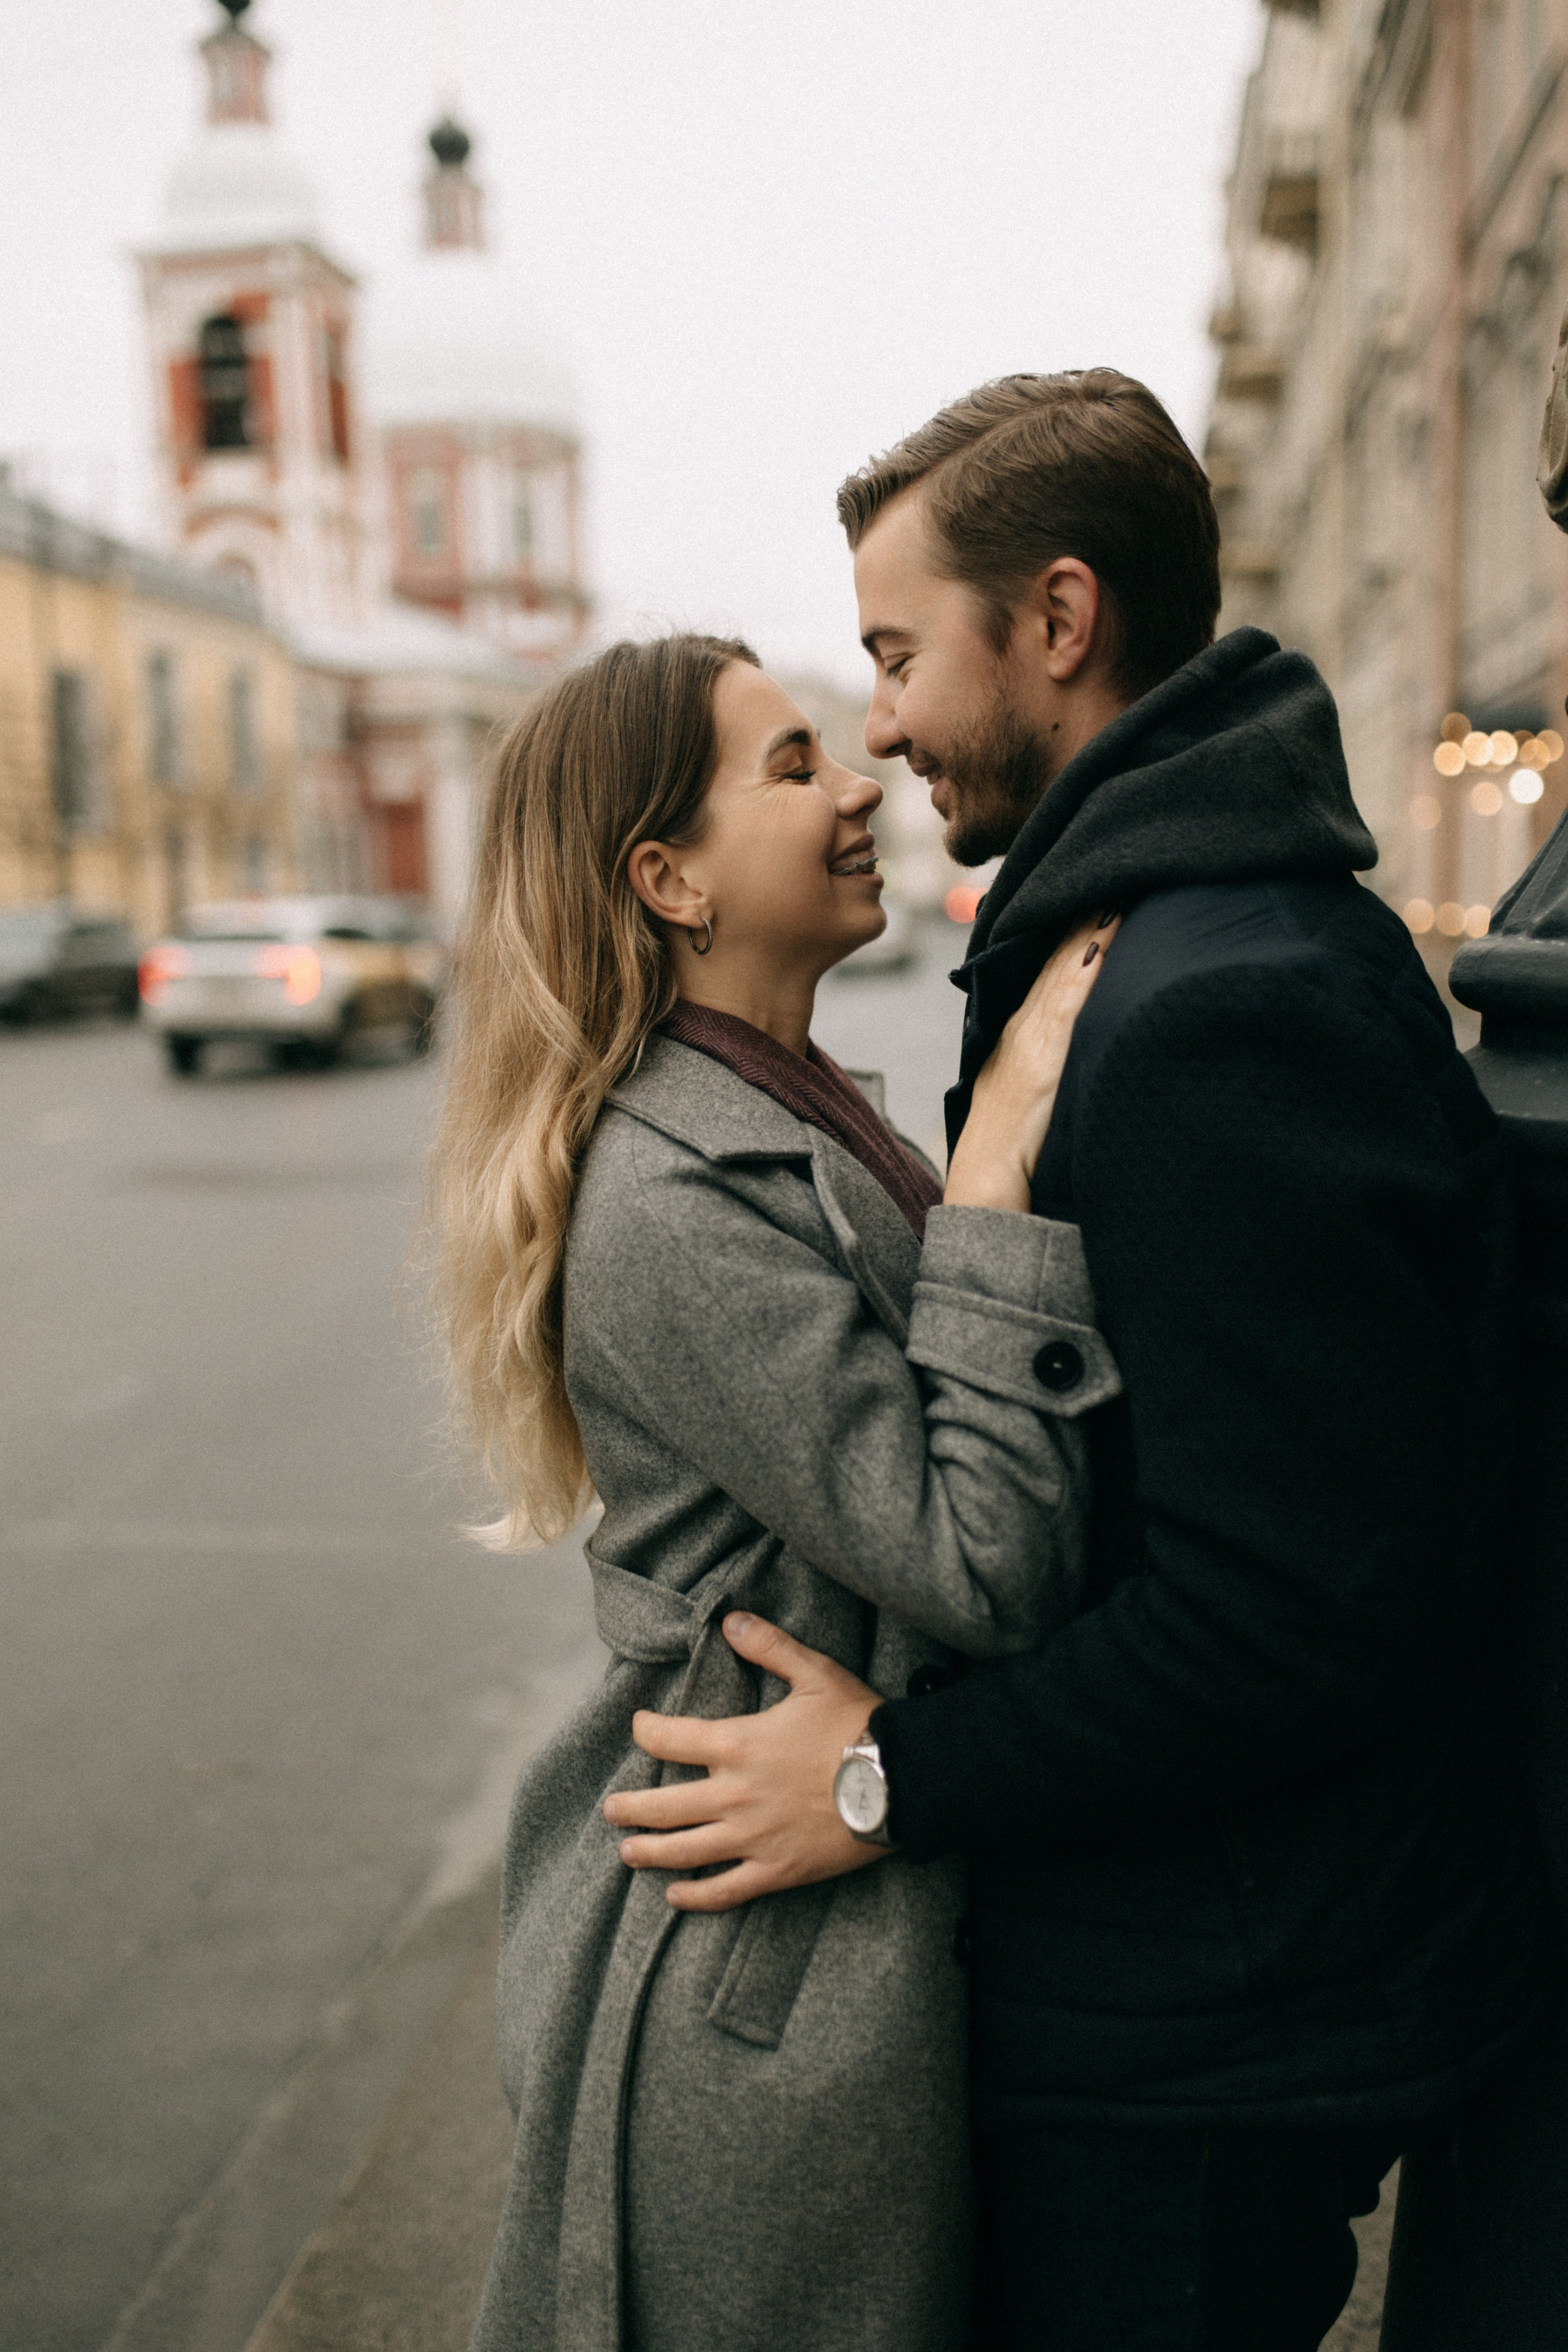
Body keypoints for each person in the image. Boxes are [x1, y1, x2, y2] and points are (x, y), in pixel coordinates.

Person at [607, 373, 1559, 2350]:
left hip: (1199, 2027)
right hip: (1179, 1975)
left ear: (1055, 622)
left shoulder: (1214, 998)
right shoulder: (1148, 936)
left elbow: (1281, 1612)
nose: (877, 726)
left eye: (893, 654)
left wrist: (878, 1779)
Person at [429, 630, 1120, 2352]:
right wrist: (1000, 1175)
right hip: (761, 2008)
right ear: (667, 877)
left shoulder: (779, 1110)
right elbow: (979, 1562)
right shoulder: (671, 1201)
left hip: (827, 1921)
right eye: (795, 766)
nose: (861, 783)